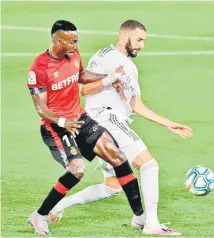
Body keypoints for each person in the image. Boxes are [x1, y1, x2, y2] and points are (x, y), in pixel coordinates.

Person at [49, 20, 193, 236]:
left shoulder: (131, 68)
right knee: (149, 165)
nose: (142, 45)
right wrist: (109, 80)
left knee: (112, 186)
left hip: (109, 123)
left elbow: (137, 105)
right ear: (126, 36)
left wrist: (169, 124)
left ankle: (57, 207)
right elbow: (82, 88)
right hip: (104, 119)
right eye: (139, 40)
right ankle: (151, 225)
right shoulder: (106, 55)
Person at [27, 20, 146, 235]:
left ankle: (140, 218)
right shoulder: (39, 68)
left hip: (80, 119)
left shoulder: (73, 54)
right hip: (57, 127)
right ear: (57, 40)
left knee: (118, 156)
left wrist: (109, 78)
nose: (76, 45)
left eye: (77, 41)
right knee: (77, 170)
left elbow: (81, 76)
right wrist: (63, 122)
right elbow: (40, 108)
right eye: (72, 41)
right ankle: (40, 214)